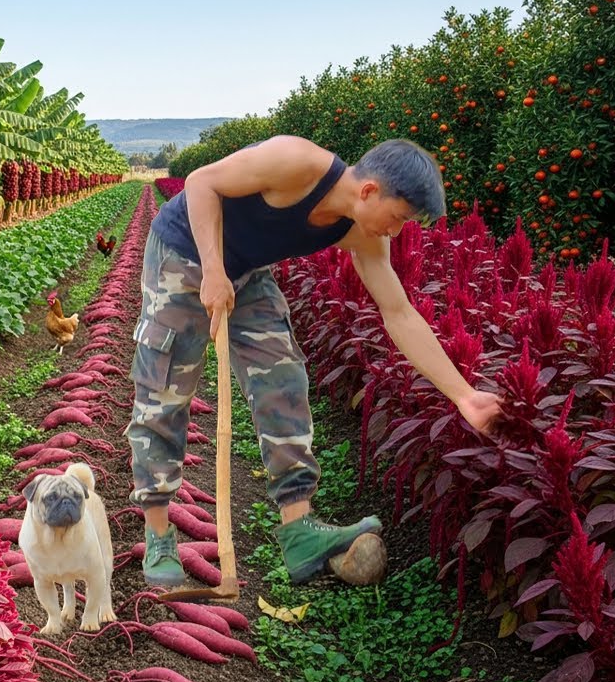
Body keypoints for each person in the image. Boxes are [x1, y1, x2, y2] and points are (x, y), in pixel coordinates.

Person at [127, 135, 503, 587]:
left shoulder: (361, 232)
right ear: (369, 191)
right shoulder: (297, 162)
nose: (397, 231)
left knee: (283, 377)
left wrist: (464, 395)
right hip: (184, 252)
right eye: (399, 217)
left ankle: (299, 528)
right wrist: (212, 269)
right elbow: (202, 181)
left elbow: (399, 313)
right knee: (165, 388)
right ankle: (159, 534)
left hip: (246, 271)